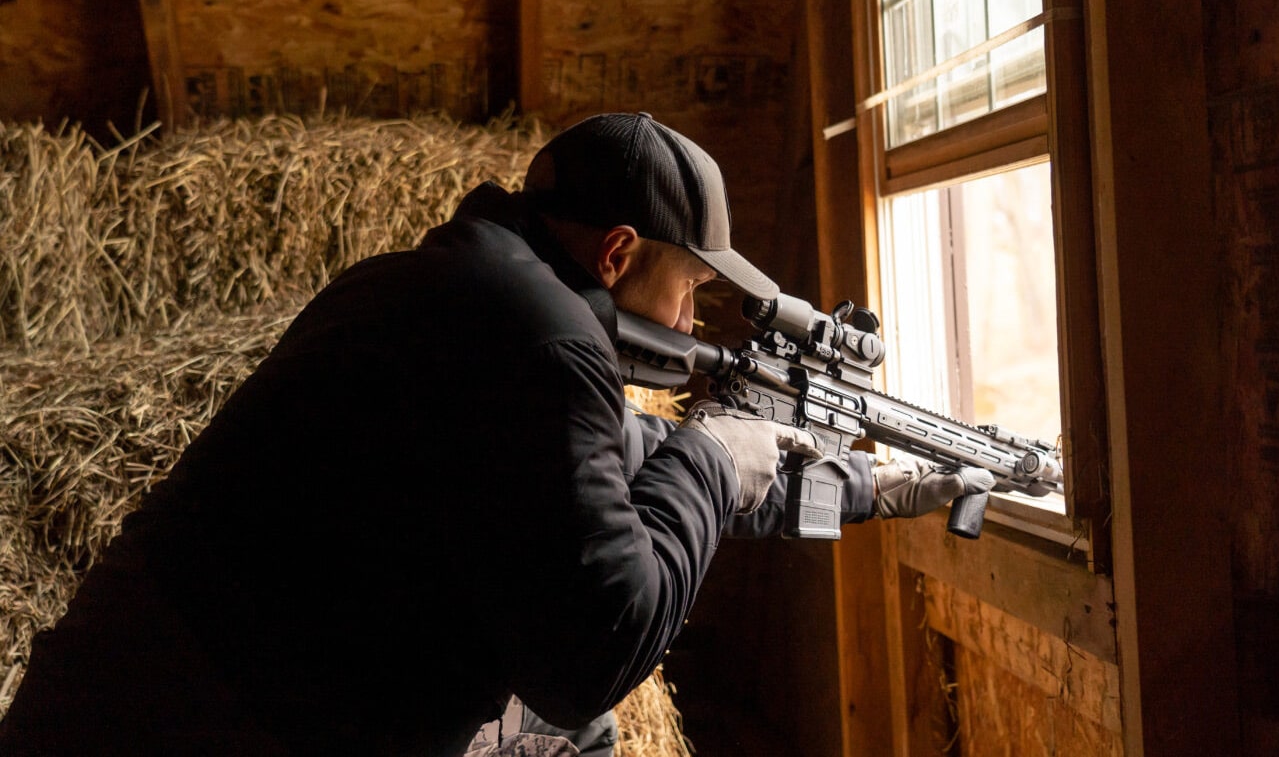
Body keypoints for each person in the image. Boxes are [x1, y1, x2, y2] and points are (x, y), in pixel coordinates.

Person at [0, 112, 993, 757]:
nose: (691, 325)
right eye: (689, 290)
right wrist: (714, 447)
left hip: (132, 699)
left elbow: (616, 479)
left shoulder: (439, 287)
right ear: (616, 252)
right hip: (211, 724)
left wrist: (866, 489)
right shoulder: (542, 345)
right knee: (575, 719)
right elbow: (593, 647)